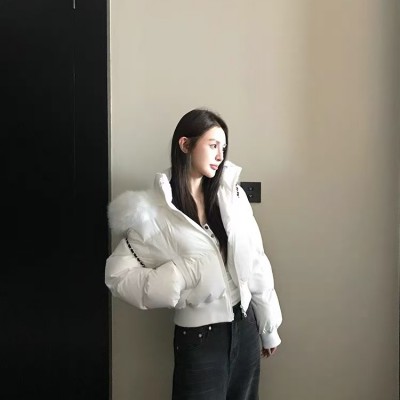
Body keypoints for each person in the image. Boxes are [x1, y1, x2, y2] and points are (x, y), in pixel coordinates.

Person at [105, 108, 283, 400]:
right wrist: (180, 276)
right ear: (185, 144)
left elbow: (256, 261)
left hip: (246, 326)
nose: (220, 155)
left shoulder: (232, 197)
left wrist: (268, 326)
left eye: (223, 147)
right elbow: (117, 276)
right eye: (213, 145)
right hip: (200, 337)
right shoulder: (153, 212)